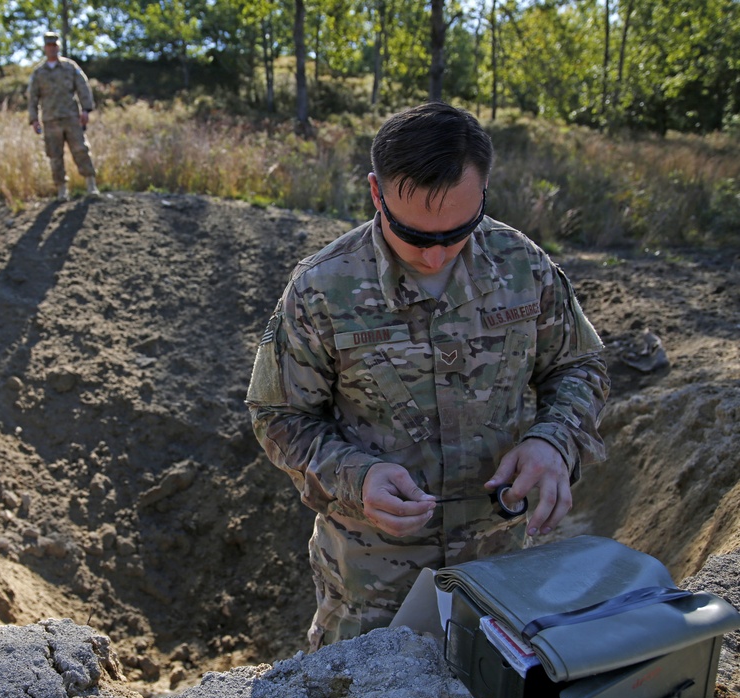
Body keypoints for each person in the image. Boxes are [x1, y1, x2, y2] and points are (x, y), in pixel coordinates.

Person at [246, 102, 609, 651]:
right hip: (372, 587)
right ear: (376, 193)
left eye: (459, 231)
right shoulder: (322, 289)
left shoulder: (524, 266)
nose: (437, 256)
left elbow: (578, 364)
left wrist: (553, 440)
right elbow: (278, 415)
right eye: (413, 234)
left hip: (498, 571)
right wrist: (356, 476)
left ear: (484, 192)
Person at [27, 31, 99, 200]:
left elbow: (83, 87)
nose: (52, 49)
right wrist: (34, 119)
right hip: (50, 120)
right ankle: (62, 190)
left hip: (71, 117)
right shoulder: (39, 73)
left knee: (80, 150)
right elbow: (32, 97)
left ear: (58, 46)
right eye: (49, 46)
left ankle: (91, 185)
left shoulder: (70, 67)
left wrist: (86, 110)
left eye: (54, 45)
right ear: (45, 48)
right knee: (54, 155)